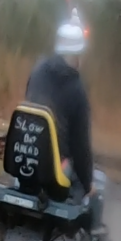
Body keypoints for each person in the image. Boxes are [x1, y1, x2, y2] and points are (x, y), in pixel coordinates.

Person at [23, 12, 96, 202]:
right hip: (54, 172)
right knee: (89, 193)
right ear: (76, 54)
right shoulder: (77, 90)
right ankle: (84, 230)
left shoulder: (37, 70)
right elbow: (81, 148)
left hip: (26, 158)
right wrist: (89, 183)